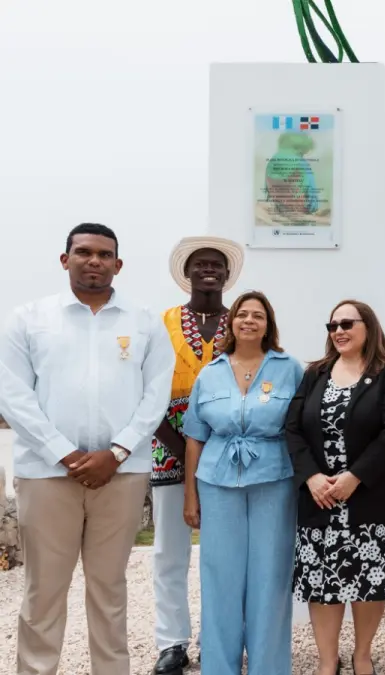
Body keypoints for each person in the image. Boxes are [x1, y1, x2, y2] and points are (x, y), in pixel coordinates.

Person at [0, 223, 174, 675]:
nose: (93, 261)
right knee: (43, 592)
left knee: (109, 589)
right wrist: (64, 453)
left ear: (118, 264)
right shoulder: (29, 319)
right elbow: (13, 394)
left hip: (122, 474)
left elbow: (155, 395)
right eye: (83, 252)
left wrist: (115, 453)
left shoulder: (143, 321)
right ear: (65, 260)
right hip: (45, 475)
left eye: (104, 254)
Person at [288, 300, 385, 675]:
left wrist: (354, 477)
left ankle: (363, 656)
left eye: (347, 323)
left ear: (368, 326)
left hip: (373, 497)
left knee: (368, 583)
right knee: (322, 584)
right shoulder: (315, 373)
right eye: (332, 325)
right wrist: (312, 476)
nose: (339, 331)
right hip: (321, 499)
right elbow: (293, 428)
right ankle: (328, 661)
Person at [181, 290, 304, 675]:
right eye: (242, 314)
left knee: (270, 578)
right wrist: (190, 496)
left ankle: (270, 667)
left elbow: (302, 430)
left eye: (258, 316)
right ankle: (219, 667)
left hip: (274, 480)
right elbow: (194, 436)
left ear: (268, 325)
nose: (249, 321)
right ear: (231, 322)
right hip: (216, 484)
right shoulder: (211, 372)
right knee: (220, 578)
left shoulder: (290, 368)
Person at [150, 235, 243, 675]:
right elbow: (147, 392)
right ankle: (171, 642)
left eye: (217, 265)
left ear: (227, 275)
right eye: (200, 264)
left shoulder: (242, 322)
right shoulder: (163, 322)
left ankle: (217, 637)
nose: (209, 270)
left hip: (229, 451)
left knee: (221, 552)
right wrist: (182, 450)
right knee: (171, 550)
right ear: (187, 273)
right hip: (169, 446)